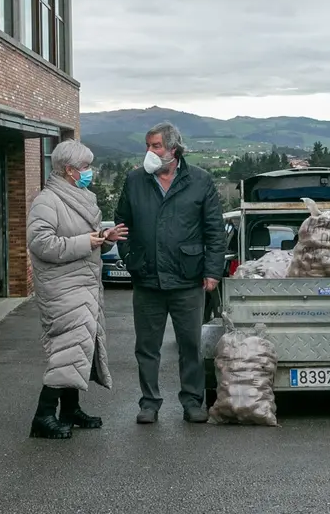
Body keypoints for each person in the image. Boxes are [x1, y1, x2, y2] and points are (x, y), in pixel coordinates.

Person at [115, 122, 225, 425]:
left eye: (156, 146)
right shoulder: (135, 180)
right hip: (147, 279)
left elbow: (214, 231)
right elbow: (122, 224)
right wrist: (131, 257)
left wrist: (212, 271)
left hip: (187, 279)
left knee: (190, 345)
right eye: (148, 146)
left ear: (173, 150)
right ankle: (149, 402)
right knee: (146, 348)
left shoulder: (200, 181)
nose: (149, 152)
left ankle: (192, 402)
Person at [26, 140, 126, 439]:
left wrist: (103, 237)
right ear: (69, 170)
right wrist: (88, 242)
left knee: (80, 347)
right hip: (62, 287)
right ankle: (43, 417)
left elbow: (81, 236)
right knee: (67, 348)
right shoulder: (47, 200)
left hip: (82, 282)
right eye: (84, 167)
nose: (89, 172)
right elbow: (41, 243)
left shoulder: (78, 196)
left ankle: (70, 411)